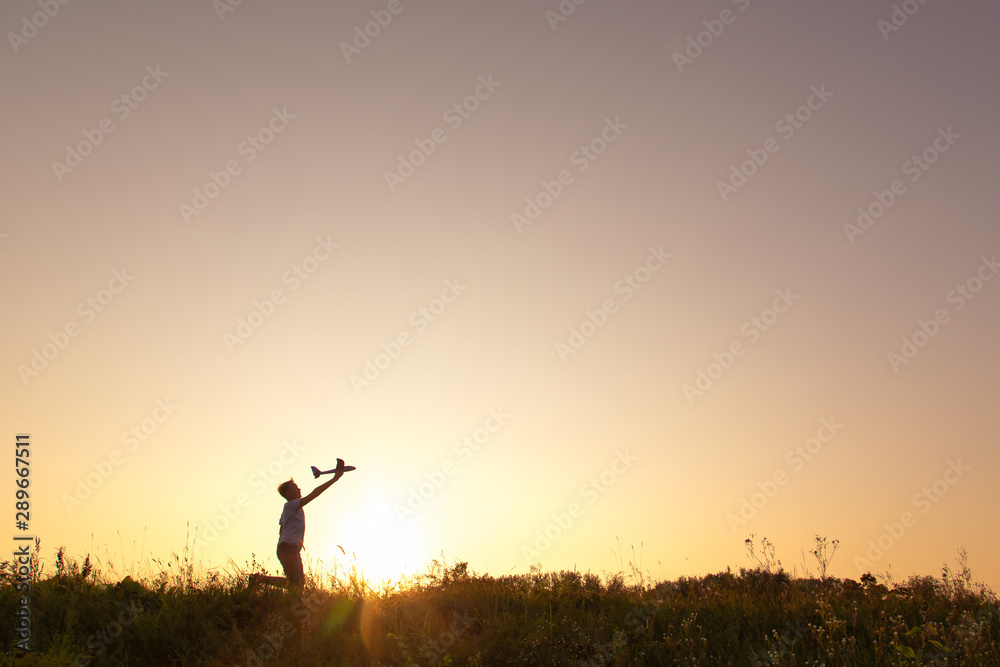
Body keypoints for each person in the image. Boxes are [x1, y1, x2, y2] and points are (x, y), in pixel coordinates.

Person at [249, 468, 345, 592]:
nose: (299, 489)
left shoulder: (288, 510)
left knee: (297, 585)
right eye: (296, 488)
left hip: (288, 547)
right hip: (289, 547)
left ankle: (259, 579)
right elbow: (314, 494)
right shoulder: (291, 504)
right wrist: (334, 479)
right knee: (295, 585)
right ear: (288, 494)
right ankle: (258, 579)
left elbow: (281, 531)